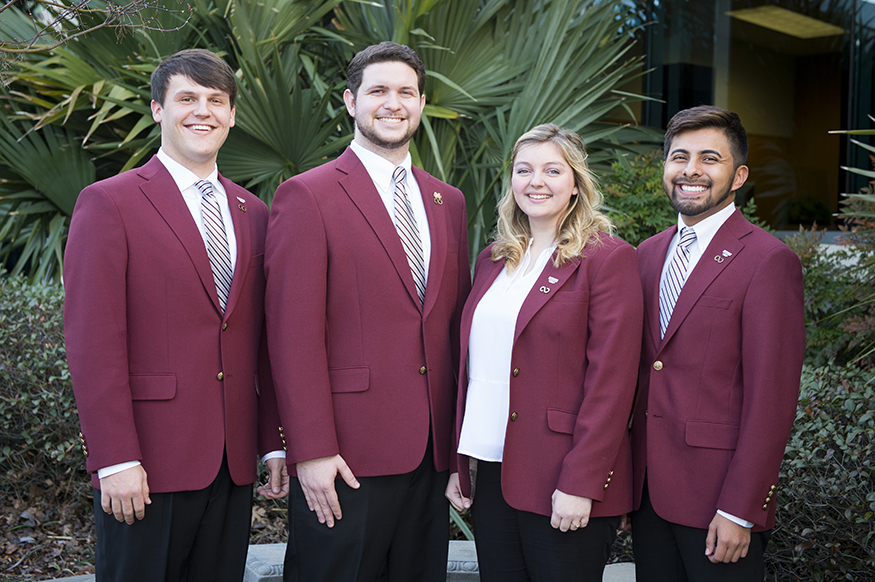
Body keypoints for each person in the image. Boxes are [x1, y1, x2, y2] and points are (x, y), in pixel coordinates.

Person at [63, 48, 288, 582]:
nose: (202, 111)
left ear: (232, 114)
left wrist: (272, 440)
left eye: (216, 100)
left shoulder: (253, 212)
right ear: (158, 109)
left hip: (230, 465)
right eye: (186, 98)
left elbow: (261, 343)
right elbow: (93, 343)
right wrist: (114, 458)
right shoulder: (108, 203)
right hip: (147, 464)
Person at [264, 41, 471, 582]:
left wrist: (457, 448)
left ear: (421, 103)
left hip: (430, 453)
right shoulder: (306, 196)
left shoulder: (448, 202)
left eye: (405, 92)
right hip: (345, 456)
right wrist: (310, 450)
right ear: (351, 101)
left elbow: (453, 329)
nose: (392, 103)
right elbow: (292, 337)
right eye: (378, 90)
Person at [445, 124, 644, 581]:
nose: (536, 181)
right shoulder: (494, 259)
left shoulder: (607, 259)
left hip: (562, 474)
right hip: (493, 471)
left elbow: (611, 384)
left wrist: (581, 483)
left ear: (576, 183)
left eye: (552, 170)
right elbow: (474, 369)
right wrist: (460, 464)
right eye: (524, 169)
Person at [629, 105, 805, 581]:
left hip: (717, 505)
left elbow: (772, 399)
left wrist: (741, 509)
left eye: (710, 159)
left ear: (739, 174)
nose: (691, 171)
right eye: (679, 157)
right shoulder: (646, 255)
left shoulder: (769, 262)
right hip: (647, 496)